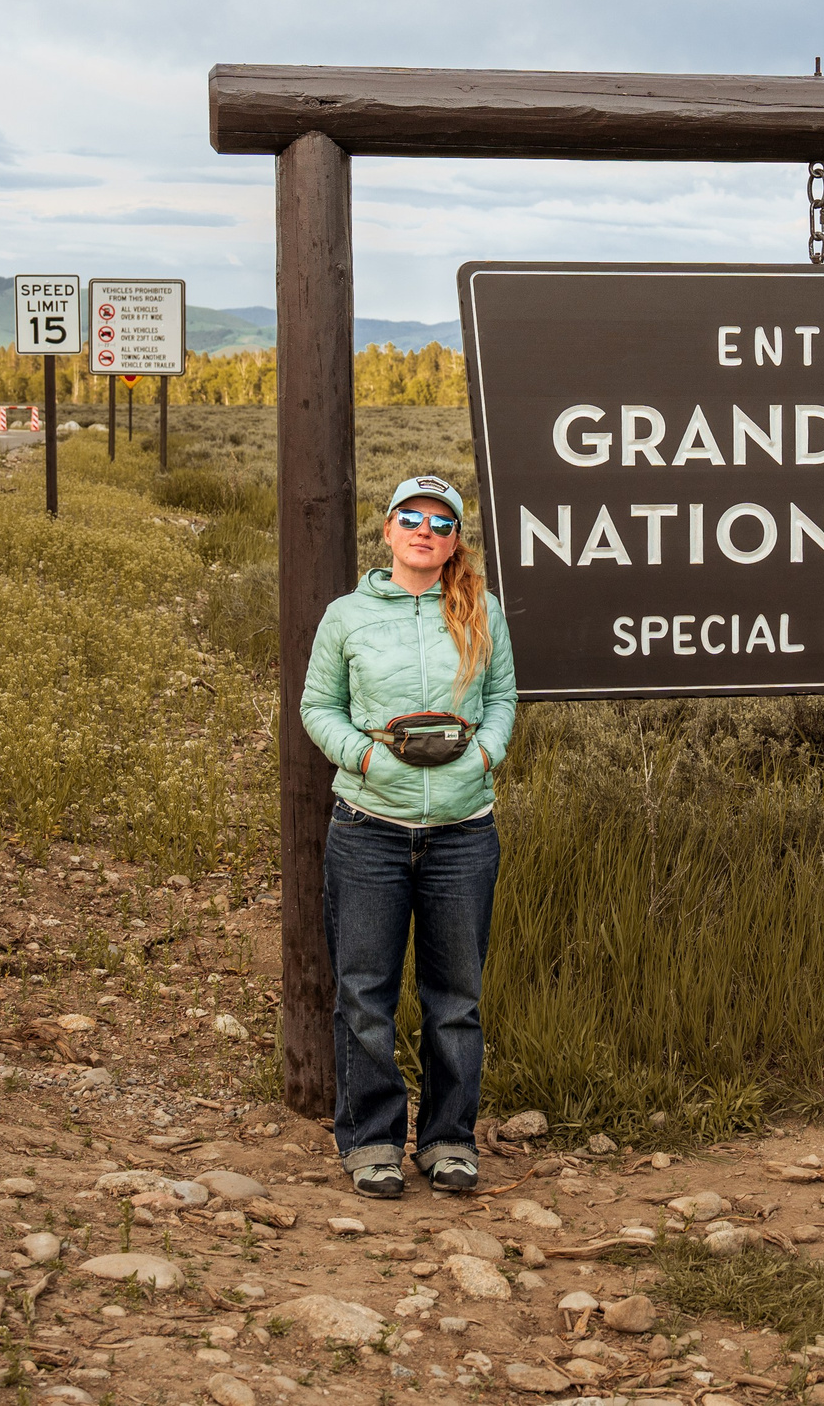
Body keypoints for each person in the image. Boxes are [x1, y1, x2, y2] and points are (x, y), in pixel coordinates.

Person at [301, 475, 516, 1199]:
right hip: (369, 830)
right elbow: (318, 707)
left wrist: (483, 758)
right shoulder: (347, 616)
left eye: (443, 522)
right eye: (412, 518)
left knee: (456, 995)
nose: (426, 531)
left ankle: (450, 1140)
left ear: (455, 541)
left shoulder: (482, 610)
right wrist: (364, 759)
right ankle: (372, 1142)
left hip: (463, 834)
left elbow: (503, 699)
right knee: (365, 992)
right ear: (388, 530)